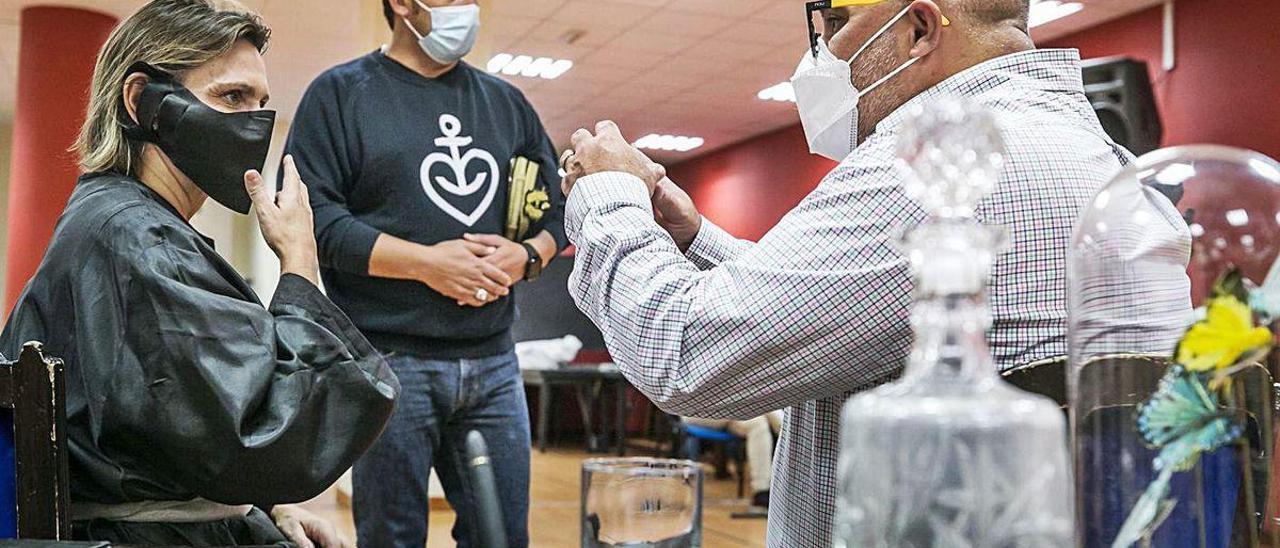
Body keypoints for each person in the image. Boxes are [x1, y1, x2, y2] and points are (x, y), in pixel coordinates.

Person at [558, 0, 1189, 546]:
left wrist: (607, 197)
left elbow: (685, 353)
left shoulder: (935, 170)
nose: (820, 58)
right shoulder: (1103, 162)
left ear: (919, 28)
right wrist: (694, 239)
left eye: (836, 24)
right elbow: (851, 316)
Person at [0, 0, 400, 545]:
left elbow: (183, 435)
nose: (255, 122)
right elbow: (261, 440)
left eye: (262, 102)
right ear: (143, 102)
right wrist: (300, 264)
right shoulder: (135, 238)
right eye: (231, 97)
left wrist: (262, 510)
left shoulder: (128, 223)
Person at [283, 0, 567, 545]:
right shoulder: (340, 95)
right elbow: (313, 219)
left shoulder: (507, 104)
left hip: (494, 362)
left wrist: (528, 255)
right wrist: (427, 264)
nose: (468, 8)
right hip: (390, 362)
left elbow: (555, 210)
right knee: (392, 537)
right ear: (402, 4)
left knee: (503, 536)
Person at [684, 411, 783, 508]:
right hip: (697, 411)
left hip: (732, 412)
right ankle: (787, 430)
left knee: (758, 423)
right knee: (762, 406)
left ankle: (762, 491)